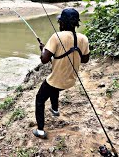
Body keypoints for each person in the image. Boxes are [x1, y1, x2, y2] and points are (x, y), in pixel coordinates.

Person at [32, 8, 90, 139]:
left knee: (40, 99)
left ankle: (40, 130)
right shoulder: (84, 39)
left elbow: (44, 60)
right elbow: (85, 60)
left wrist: (43, 50)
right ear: (76, 23)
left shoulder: (56, 36)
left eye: (60, 22)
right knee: (54, 85)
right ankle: (55, 109)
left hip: (57, 81)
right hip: (71, 81)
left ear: (62, 23)